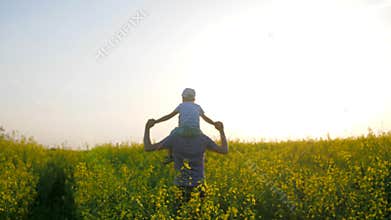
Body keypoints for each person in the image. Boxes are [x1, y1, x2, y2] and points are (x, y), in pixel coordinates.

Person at [143, 119, 228, 204]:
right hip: (199, 185)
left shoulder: (174, 138)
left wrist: (147, 128)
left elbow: (148, 147)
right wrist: (221, 131)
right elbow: (224, 150)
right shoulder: (202, 138)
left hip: (180, 186)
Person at [150, 88, 217, 164]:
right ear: (194, 98)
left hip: (182, 130)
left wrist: (156, 121)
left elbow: (169, 116)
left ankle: (170, 155)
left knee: (172, 133)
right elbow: (206, 118)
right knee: (202, 139)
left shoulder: (181, 106)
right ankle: (203, 156)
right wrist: (214, 123)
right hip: (196, 131)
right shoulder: (198, 107)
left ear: (183, 97)